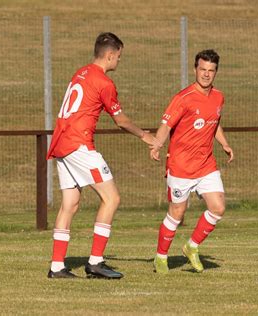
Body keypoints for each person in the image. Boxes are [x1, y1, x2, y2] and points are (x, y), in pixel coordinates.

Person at [46, 32, 158, 279]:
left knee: (70, 204)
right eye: (119, 56)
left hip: (61, 143)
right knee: (112, 198)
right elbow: (120, 120)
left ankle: (56, 267)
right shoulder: (104, 82)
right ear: (109, 55)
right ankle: (95, 263)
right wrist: (145, 136)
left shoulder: (81, 72)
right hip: (78, 144)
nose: (119, 60)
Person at [150, 49, 234, 274]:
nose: (206, 74)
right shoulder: (183, 98)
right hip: (181, 165)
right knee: (176, 213)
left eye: (211, 70)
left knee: (218, 207)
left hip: (206, 164)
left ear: (216, 72)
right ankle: (160, 257)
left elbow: (213, 122)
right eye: (202, 69)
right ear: (195, 69)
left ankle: (192, 246)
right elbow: (166, 125)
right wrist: (157, 144)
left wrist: (224, 143)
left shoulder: (218, 97)